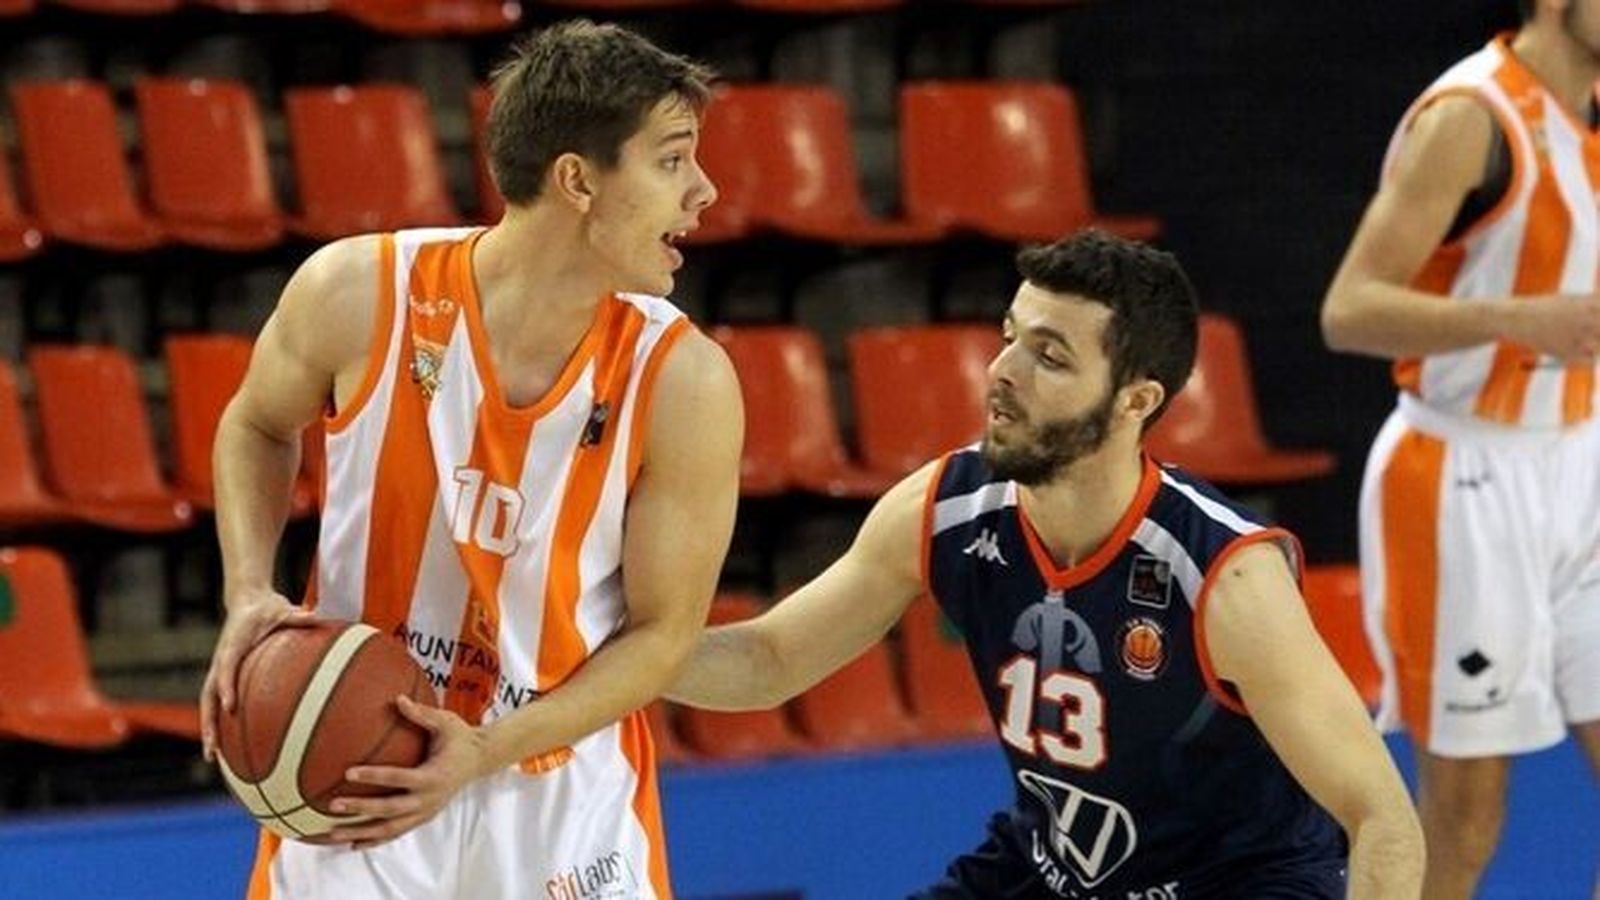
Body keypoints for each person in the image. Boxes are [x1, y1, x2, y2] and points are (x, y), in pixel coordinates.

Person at [669, 230, 1424, 898]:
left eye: (1049, 357)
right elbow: (771, 661)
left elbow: (1385, 821)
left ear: (1135, 401)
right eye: (1010, 337)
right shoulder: (948, 506)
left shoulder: (1223, 577)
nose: (1002, 370)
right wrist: (616, 650)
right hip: (1054, 869)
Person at [197, 19, 743, 899]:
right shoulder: (358, 293)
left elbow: (663, 635)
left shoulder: (685, 380)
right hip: (360, 770)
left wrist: (485, 749)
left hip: (558, 793)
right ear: (577, 180)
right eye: (672, 160)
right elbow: (257, 424)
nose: (705, 191)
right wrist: (249, 591)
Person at [1320, 0, 1600, 895]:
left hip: (1583, 464)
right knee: (1466, 815)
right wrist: (1512, 320)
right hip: (1465, 478)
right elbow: (1349, 310)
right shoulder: (1471, 118)